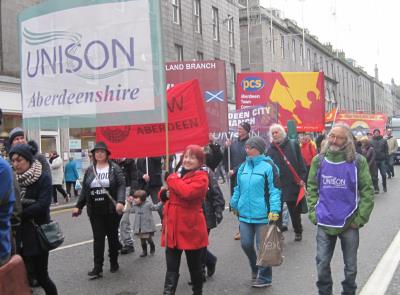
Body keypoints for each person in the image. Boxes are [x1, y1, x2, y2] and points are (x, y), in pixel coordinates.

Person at [307, 124, 374, 295]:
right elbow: (312, 187)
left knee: (350, 268)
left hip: (349, 222)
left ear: (348, 141)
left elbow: (367, 191)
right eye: (332, 136)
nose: (334, 140)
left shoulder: (358, 161)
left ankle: (348, 292)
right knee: (322, 263)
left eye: (339, 137)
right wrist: (314, 213)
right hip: (324, 220)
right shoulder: (319, 160)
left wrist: (360, 219)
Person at [230, 136, 281, 288]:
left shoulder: (269, 166)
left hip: (263, 215)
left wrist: (275, 210)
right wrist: (234, 203)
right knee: (246, 244)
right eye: (246, 147)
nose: (246, 150)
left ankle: (265, 278)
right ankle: (255, 267)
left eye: (249, 147)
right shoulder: (243, 167)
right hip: (245, 214)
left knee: (263, 248)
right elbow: (238, 188)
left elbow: (275, 191)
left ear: (258, 149)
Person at [160, 145, 209, 295]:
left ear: (199, 161)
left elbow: (187, 193)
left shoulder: (202, 177)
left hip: (190, 228)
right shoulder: (177, 174)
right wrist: (164, 195)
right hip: (172, 227)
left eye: (192, 157)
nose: (187, 160)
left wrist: (172, 179)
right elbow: (164, 194)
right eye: (186, 156)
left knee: (194, 267)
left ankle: (197, 291)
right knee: (171, 267)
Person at [9, 143, 58, 295]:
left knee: (42, 277)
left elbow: (43, 205)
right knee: (22, 280)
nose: (15, 164)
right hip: (17, 237)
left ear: (29, 160)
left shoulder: (43, 177)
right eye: (13, 160)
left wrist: (18, 213)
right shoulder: (12, 179)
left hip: (37, 236)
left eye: (19, 160)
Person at [72, 141, 125, 279]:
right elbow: (85, 190)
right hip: (95, 210)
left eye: (102, 151)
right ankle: (98, 268)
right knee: (98, 239)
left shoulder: (114, 168)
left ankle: (114, 262)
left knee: (113, 237)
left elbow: (120, 185)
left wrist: (120, 201)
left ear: (107, 154)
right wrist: (78, 206)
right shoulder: (90, 170)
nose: (99, 154)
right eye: (96, 152)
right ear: (94, 155)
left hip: (111, 210)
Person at [267, 123, 307, 242]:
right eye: (272, 133)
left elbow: (301, 163)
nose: (274, 135)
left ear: (282, 133)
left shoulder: (293, 144)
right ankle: (278, 234)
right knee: (275, 211)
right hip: (277, 186)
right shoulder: (269, 150)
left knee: (294, 212)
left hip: (292, 184)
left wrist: (302, 178)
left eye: (276, 132)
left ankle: (298, 230)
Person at [224, 122, 251, 240]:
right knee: (238, 203)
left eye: (241, 128)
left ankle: (244, 229)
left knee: (246, 202)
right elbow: (226, 159)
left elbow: (249, 159)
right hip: (235, 179)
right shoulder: (233, 143)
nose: (238, 129)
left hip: (247, 176)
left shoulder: (251, 143)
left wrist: (235, 170)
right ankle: (244, 227)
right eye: (238, 128)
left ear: (247, 130)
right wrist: (226, 148)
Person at [129, 189, 161, 257]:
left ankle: (152, 246)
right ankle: (144, 251)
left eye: (136, 198)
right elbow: (131, 211)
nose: (135, 199)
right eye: (134, 198)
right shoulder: (135, 206)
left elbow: (156, 207)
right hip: (139, 226)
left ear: (142, 198)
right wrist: (130, 203)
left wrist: (162, 202)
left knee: (148, 239)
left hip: (147, 226)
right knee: (142, 240)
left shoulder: (148, 204)